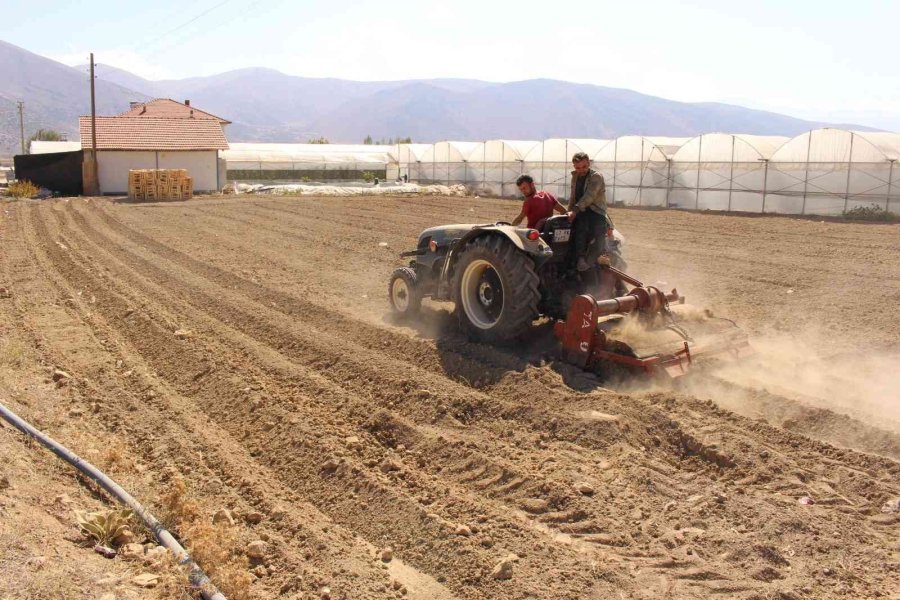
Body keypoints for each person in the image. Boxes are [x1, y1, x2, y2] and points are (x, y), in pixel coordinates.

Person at [566, 152, 608, 272]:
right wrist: (569, 212)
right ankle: (576, 258)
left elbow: (589, 196)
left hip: (596, 211)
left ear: (588, 163)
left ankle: (588, 259)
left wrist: (575, 210)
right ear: (574, 166)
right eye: (578, 168)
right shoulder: (575, 176)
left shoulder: (596, 177)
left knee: (589, 230)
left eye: (584, 167)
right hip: (580, 209)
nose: (581, 170)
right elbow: (573, 197)